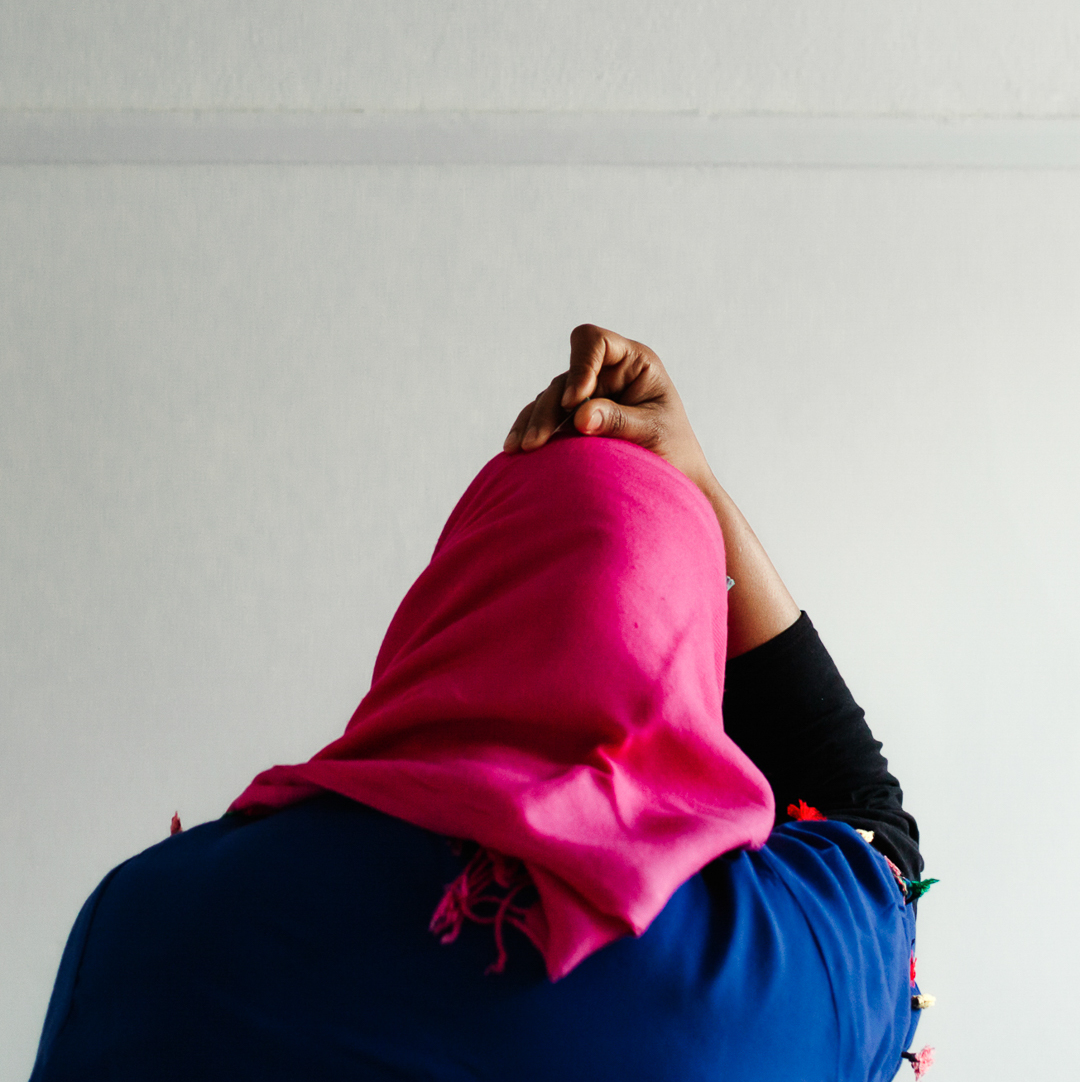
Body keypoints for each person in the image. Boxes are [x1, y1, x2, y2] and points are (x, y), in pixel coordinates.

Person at [29, 325, 933, 1081]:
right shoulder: (773, 970)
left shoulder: (152, 924)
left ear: (444, 612)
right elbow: (872, 825)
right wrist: (695, 486)